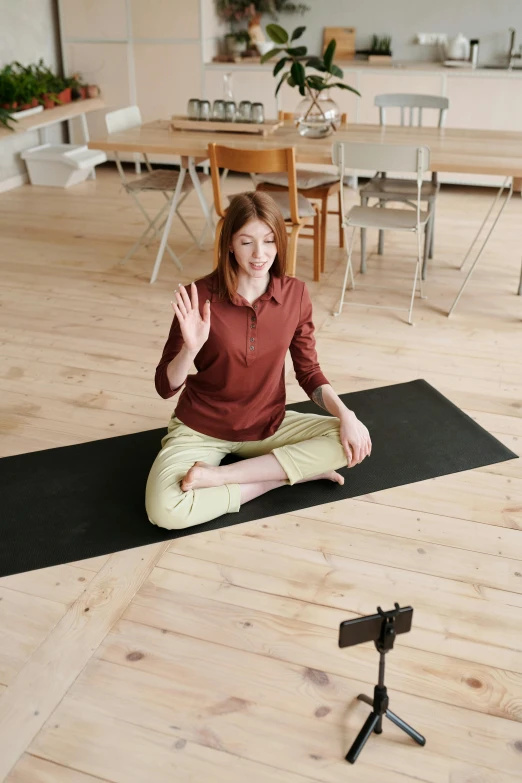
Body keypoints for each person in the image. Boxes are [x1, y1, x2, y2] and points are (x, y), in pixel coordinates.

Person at [145, 191, 371, 530]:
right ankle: (277, 478)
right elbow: (165, 386)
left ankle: (222, 476)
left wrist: (347, 414)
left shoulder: (295, 294)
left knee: (350, 439)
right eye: (246, 242)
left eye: (268, 241)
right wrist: (190, 349)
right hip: (201, 429)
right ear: (230, 245)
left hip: (269, 424)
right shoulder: (199, 295)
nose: (259, 254)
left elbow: (308, 372)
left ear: (280, 241)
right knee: (165, 511)